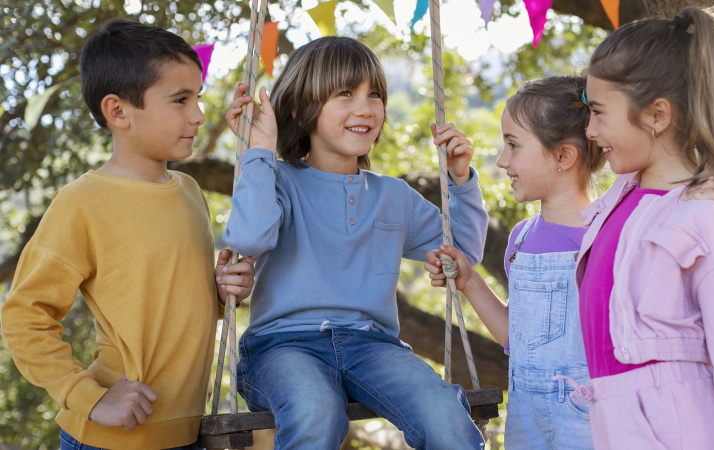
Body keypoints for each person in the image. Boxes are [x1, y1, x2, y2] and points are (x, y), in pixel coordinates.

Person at [0, 20, 257, 450]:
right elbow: (24, 316)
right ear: (118, 112)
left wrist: (220, 292)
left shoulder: (191, 192)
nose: (198, 114)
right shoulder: (82, 201)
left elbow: (163, 304)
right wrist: (90, 398)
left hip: (188, 434)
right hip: (110, 440)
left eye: (198, 98)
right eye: (180, 100)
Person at [223, 36, 488, 449]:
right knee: (315, 410)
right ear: (300, 107)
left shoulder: (393, 197)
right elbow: (248, 236)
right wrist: (259, 151)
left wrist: (460, 182)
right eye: (345, 93)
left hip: (373, 346)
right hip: (282, 346)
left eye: (375, 95)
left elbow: (464, 254)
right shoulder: (277, 181)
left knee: (445, 414)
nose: (365, 108)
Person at [576, 6, 714, 448]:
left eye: (598, 112)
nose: (589, 130)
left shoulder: (711, 223)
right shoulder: (618, 202)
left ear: (657, 116)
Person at [427, 76, 601, 449]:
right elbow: (518, 338)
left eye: (513, 146)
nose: (502, 161)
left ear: (563, 157)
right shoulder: (522, 238)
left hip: (588, 425)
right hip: (525, 424)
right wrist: (470, 281)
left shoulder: (603, 241)